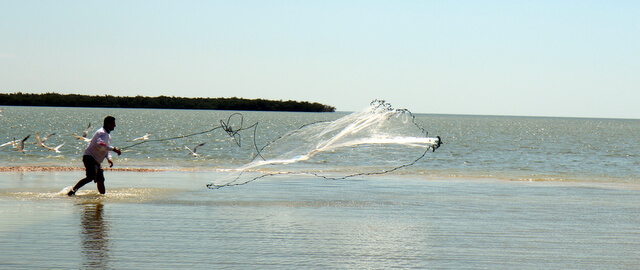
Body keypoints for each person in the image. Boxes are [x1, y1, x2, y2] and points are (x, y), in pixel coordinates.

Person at [68, 116, 122, 196]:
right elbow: (100, 145)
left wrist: (109, 159)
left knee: (100, 179)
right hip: (89, 157)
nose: (115, 125)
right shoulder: (101, 132)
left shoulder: (108, 135)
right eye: (113, 124)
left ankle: (102, 196)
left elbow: (105, 149)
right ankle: (72, 192)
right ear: (108, 124)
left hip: (97, 161)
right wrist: (114, 149)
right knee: (90, 177)